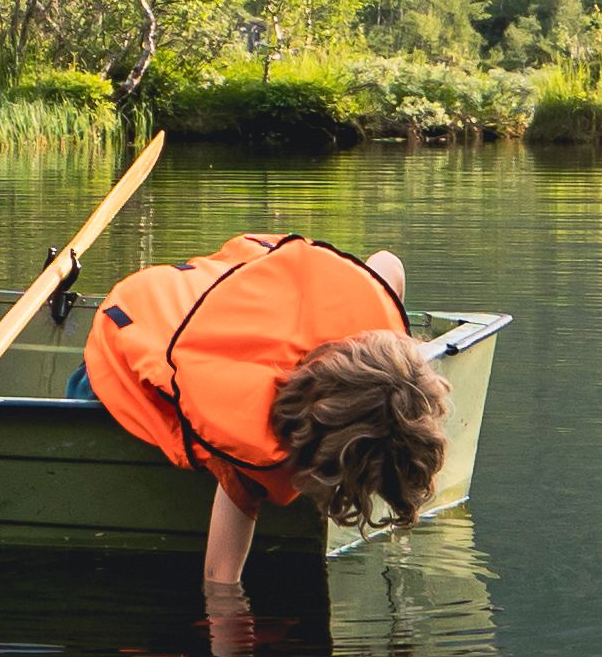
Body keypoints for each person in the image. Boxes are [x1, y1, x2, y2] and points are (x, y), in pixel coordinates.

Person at [79, 232, 452, 602]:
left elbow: (388, 264)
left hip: (205, 291)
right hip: (128, 336)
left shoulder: (365, 340)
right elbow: (220, 582)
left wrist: (402, 367)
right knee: (85, 398)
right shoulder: (251, 447)